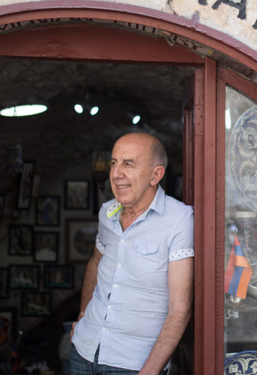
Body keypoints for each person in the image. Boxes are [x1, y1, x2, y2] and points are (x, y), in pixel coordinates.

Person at [70, 133, 194, 375]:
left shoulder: (180, 220)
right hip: (84, 349)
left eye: (129, 164)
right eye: (114, 163)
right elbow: (96, 263)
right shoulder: (107, 212)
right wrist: (83, 315)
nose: (116, 174)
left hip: (133, 363)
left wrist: (150, 370)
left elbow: (180, 309)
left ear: (155, 175)